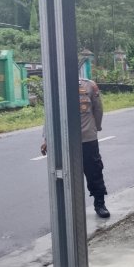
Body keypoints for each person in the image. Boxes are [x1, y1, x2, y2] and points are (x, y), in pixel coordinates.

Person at [40, 78, 110, 218]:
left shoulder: (89, 85)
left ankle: (100, 203)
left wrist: (96, 127)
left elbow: (98, 108)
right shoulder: (56, 86)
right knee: (64, 174)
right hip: (64, 140)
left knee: (94, 172)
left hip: (87, 139)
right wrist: (47, 138)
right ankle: (67, 207)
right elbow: (50, 114)